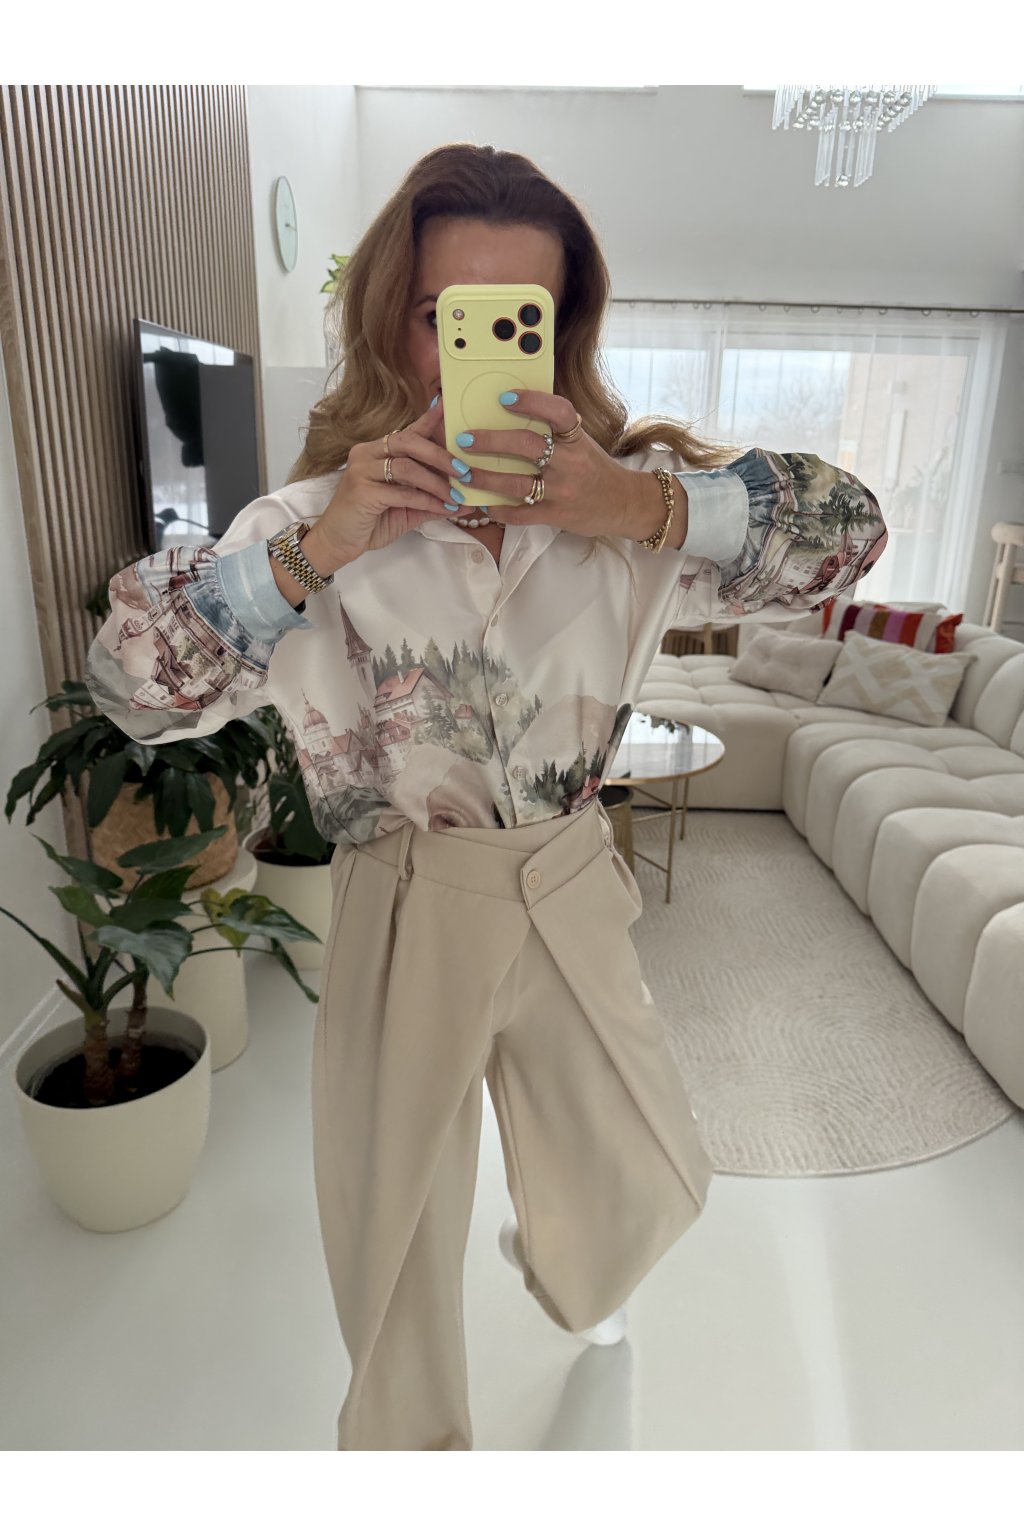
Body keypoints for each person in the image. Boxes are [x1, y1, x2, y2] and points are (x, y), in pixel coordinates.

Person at [85, 143, 888, 1451]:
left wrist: (638, 502)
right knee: (392, 1231)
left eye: (523, 317)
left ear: (562, 331)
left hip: (568, 876)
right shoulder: (310, 521)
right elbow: (131, 683)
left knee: (641, 1164)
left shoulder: (628, 510)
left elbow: (850, 535)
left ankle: (575, 1261)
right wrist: (318, 551)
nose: (484, 355)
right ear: (391, 325)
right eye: (443, 315)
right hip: (406, 896)